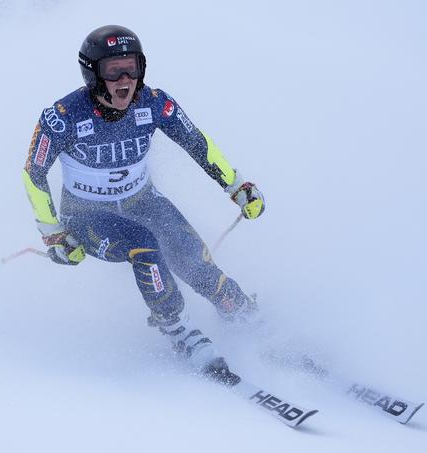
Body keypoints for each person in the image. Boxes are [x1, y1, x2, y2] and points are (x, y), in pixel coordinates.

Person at [22, 25, 265, 382]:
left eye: (132, 67)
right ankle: (177, 328)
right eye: (112, 70)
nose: (125, 79)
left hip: (141, 200)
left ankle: (238, 309)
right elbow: (33, 173)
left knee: (190, 256)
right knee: (145, 245)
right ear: (92, 73)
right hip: (88, 215)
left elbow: (197, 142)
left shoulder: (153, 102)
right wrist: (53, 233)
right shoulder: (63, 116)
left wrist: (236, 184)